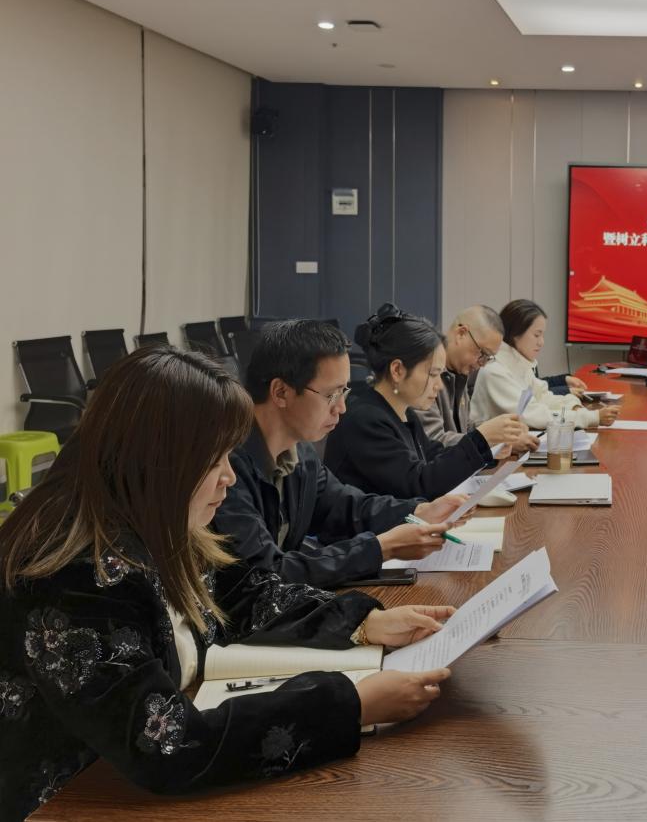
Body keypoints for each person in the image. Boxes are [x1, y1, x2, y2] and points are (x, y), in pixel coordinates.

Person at [0, 347, 453, 819]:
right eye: (213, 460)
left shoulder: (151, 518)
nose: (229, 477)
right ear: (157, 461)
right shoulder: (74, 574)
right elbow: (166, 744)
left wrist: (362, 622)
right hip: (67, 801)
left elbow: (242, 593)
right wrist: (350, 705)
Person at [213, 320, 466, 588]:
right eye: (332, 395)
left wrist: (419, 511)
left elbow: (346, 507)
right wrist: (381, 549)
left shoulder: (300, 453)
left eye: (344, 391)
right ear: (281, 392)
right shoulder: (225, 468)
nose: (342, 407)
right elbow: (265, 573)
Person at [325, 304, 531, 500]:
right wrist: (480, 440)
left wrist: (489, 449)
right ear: (397, 370)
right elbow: (419, 484)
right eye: (432, 374)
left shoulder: (406, 415)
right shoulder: (365, 420)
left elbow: (436, 456)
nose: (439, 385)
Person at [470, 299, 620, 430]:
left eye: (542, 335)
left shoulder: (519, 364)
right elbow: (534, 415)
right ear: (515, 333)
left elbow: (543, 397)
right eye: (537, 335)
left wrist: (572, 405)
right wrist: (591, 417)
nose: (541, 342)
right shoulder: (495, 371)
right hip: (493, 452)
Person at [420, 305, 539, 451]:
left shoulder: (460, 373)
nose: (482, 364)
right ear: (461, 333)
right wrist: (494, 441)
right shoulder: (424, 373)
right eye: (482, 353)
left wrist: (504, 432)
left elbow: (465, 429)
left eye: (488, 358)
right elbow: (434, 442)